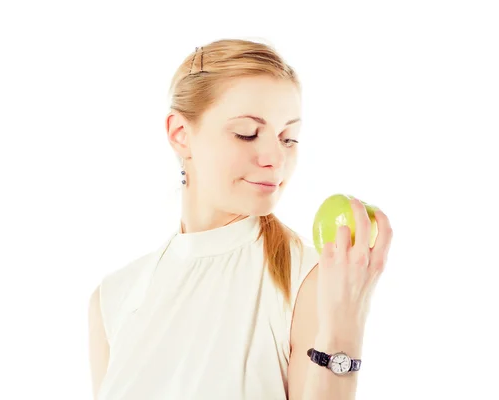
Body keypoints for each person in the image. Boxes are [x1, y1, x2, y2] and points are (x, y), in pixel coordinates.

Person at [88, 38, 393, 400]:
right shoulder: (113, 298)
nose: (275, 158)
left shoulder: (308, 279)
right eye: (247, 133)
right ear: (180, 134)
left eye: (288, 138)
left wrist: (343, 326)